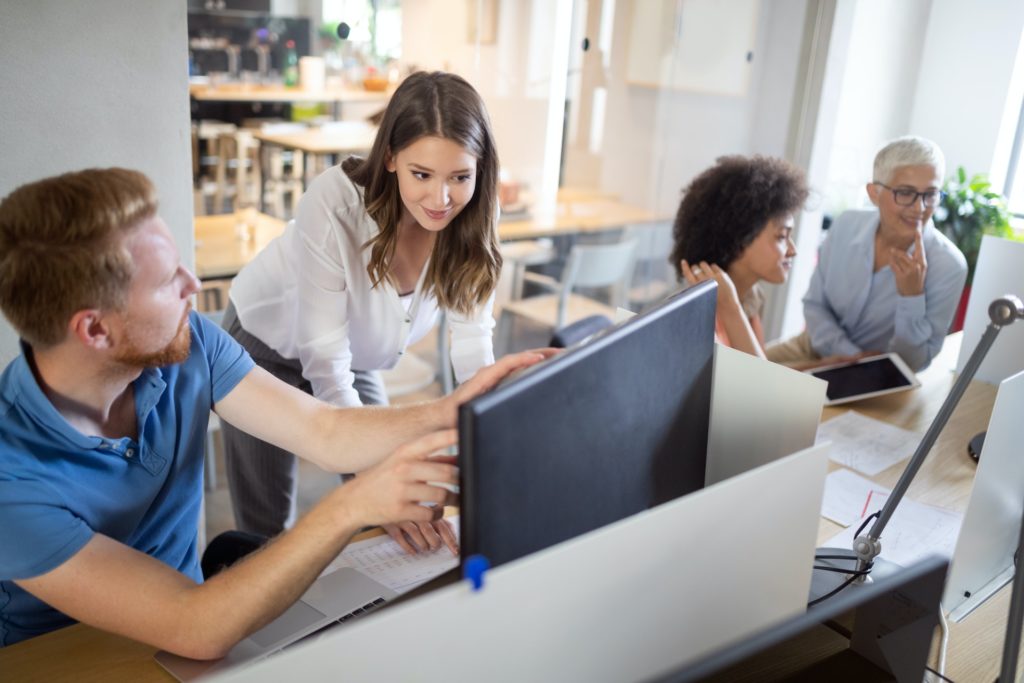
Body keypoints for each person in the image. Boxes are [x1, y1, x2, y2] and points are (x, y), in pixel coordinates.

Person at [0, 168, 546, 654]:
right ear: (95, 329)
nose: (195, 287)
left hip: (198, 622)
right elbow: (194, 627)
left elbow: (325, 429)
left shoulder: (187, 343)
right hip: (67, 660)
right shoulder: (11, 481)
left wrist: (454, 407)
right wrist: (353, 504)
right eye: (169, 281)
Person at [222, 71, 502, 554]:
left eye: (460, 177)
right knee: (268, 530)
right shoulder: (333, 202)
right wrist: (372, 480)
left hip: (353, 358)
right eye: (422, 175)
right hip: (262, 348)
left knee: (398, 502)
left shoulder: (473, 212)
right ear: (390, 157)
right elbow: (325, 365)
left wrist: (491, 443)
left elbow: (474, 347)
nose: (441, 200)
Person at [766, 136, 967, 371]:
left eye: (930, 194)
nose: (919, 208)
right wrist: (851, 356)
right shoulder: (846, 225)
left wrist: (911, 296)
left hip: (880, 374)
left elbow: (913, 363)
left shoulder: (949, 266)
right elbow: (814, 305)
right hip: (813, 347)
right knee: (732, 373)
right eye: (905, 192)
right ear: (874, 193)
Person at [669, 155, 812, 360]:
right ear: (740, 239)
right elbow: (757, 388)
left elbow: (755, 375)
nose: (793, 250)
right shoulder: (695, 320)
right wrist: (730, 309)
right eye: (782, 236)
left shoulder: (753, 296)